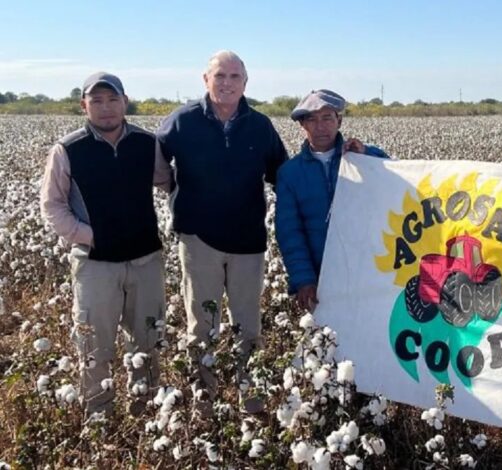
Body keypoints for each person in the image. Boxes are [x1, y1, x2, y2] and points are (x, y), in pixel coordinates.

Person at [156, 50, 288, 416]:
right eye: (220, 76)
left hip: (248, 241)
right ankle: (205, 399)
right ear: (205, 80)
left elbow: (283, 174)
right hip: (199, 240)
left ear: (245, 83)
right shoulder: (182, 120)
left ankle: (251, 400)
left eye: (234, 77)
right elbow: (153, 158)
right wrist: (174, 190)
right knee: (202, 323)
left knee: (249, 325)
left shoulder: (260, 126)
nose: (227, 83)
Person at [41, 72, 169, 418]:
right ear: (84, 105)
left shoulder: (147, 143)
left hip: (146, 262)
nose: (106, 108)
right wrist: (89, 236)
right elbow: (52, 205)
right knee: (95, 346)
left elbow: (168, 183)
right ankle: (100, 419)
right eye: (96, 100)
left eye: (112, 99)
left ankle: (146, 416)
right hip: (94, 264)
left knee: (148, 341)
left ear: (124, 102)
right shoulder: (68, 149)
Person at [275, 89, 389, 310]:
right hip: (320, 277)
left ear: (339, 121)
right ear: (303, 125)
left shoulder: (363, 157)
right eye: (312, 119)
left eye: (327, 117)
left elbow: (397, 182)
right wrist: (304, 280)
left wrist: (368, 156)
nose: (321, 126)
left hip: (367, 272)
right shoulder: (290, 173)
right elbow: (290, 232)